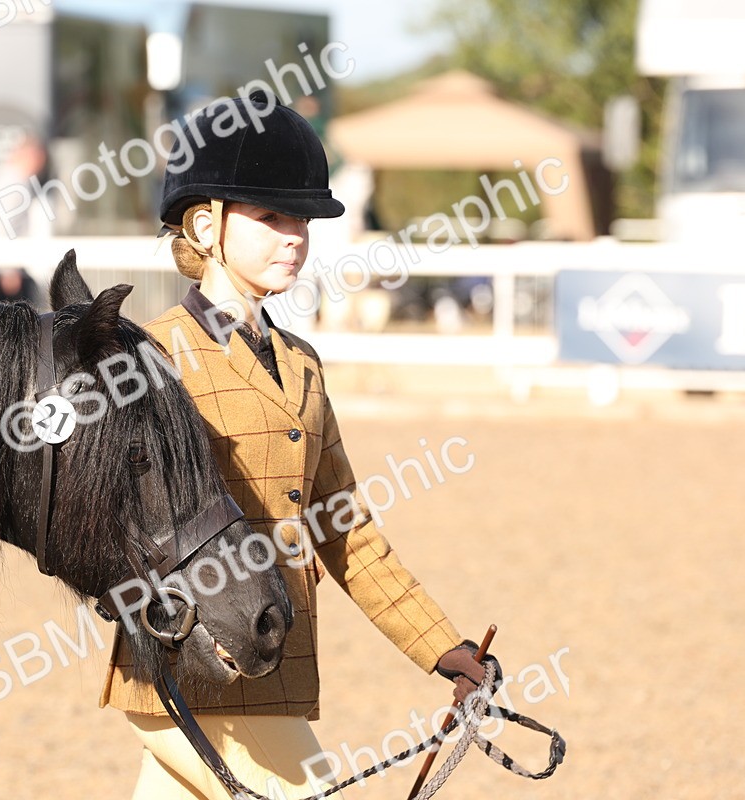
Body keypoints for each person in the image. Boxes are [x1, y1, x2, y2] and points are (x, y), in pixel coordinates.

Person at [98, 91, 497, 799]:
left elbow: (346, 530)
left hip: (273, 669)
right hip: (199, 668)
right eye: (272, 217)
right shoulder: (153, 357)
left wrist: (441, 646)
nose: (295, 237)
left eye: (303, 221)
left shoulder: (305, 364)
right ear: (205, 222)